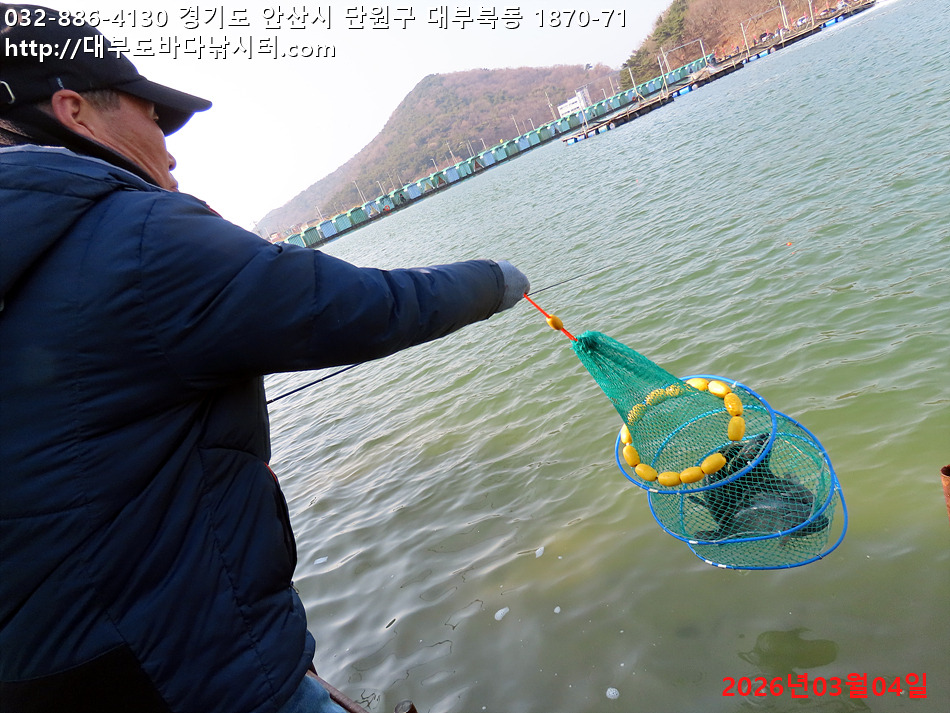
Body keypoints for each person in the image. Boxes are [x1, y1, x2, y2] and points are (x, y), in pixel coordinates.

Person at [0, 5, 529, 712]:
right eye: (152, 116)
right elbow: (370, 308)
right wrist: (499, 279)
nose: (170, 150)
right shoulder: (137, 237)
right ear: (76, 112)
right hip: (193, 678)